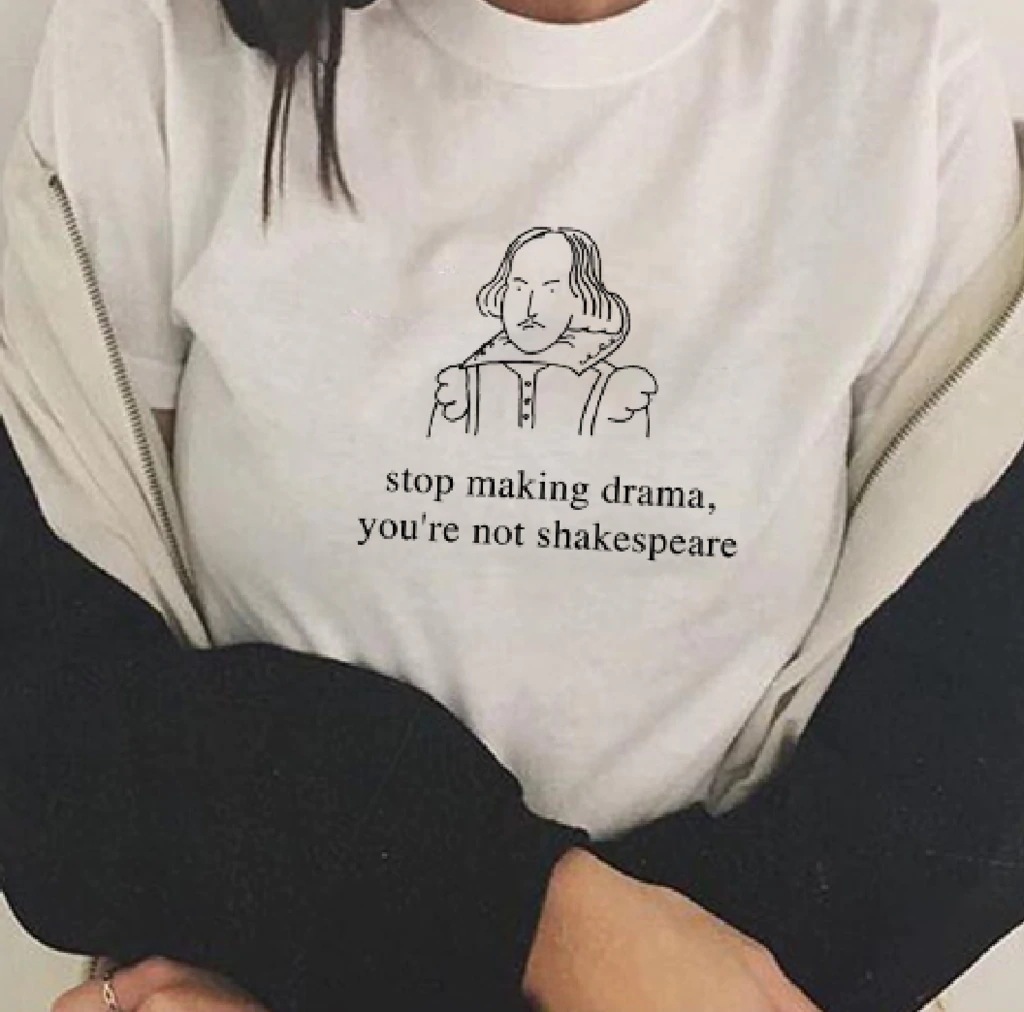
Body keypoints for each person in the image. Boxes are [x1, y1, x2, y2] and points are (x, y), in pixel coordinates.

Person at [2, 0, 1024, 1011]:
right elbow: (57, 725)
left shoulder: (910, 69)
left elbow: (956, 775)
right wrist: (535, 921)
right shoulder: (151, 42)